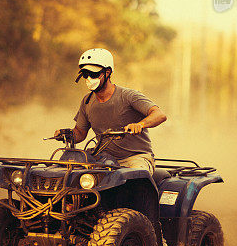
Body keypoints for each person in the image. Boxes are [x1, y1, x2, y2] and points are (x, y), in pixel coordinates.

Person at [55, 47, 167, 175]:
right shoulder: (87, 101)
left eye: (94, 74)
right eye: (86, 75)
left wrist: (140, 124)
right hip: (104, 159)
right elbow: (80, 133)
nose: (89, 79)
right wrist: (67, 135)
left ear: (107, 72)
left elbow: (159, 115)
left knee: (135, 180)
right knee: (71, 174)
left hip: (135, 159)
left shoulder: (128, 96)